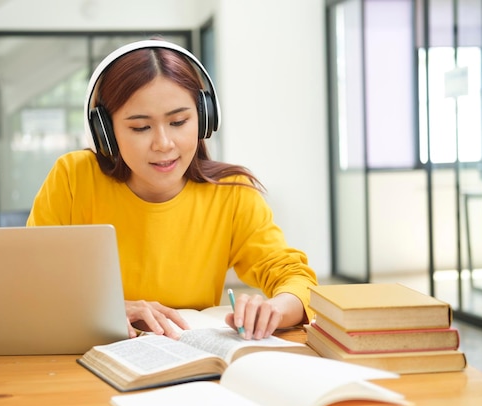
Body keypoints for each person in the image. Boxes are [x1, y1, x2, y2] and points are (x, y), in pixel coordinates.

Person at [27, 39, 317, 340]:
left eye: (178, 121)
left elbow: (298, 281)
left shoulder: (231, 194)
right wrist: (107, 310)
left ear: (204, 119)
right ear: (106, 132)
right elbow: (30, 280)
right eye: (140, 128)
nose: (164, 144)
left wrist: (275, 310)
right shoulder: (74, 178)